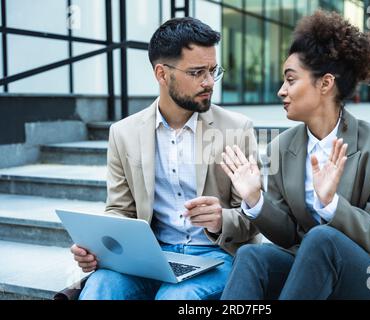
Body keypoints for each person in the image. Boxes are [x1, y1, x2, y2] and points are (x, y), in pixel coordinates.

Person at [220, 10, 370, 300]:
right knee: (251, 256)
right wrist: (255, 200)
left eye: (291, 80)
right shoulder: (281, 148)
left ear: (325, 83)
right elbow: (289, 237)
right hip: (312, 272)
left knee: (322, 239)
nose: (281, 91)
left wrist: (332, 205)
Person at [71, 17, 260, 300]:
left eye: (213, 70)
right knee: (99, 288)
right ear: (162, 74)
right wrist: (98, 247)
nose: (209, 82)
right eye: (197, 72)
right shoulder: (123, 133)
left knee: (175, 298)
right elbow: (120, 211)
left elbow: (255, 218)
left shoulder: (236, 129)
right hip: (150, 257)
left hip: (217, 257)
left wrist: (221, 219)